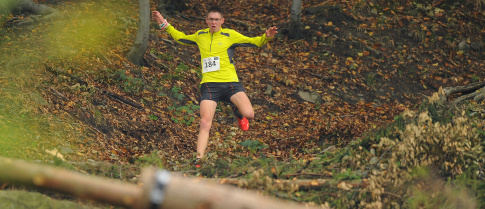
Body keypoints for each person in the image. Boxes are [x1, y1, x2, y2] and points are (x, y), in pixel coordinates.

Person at [152, 6, 278, 167]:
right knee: (205, 122)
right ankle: (198, 159)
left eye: (217, 19)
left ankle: (238, 113)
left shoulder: (230, 35)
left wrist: (266, 37)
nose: (213, 22)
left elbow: (254, 42)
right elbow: (180, 38)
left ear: (222, 21)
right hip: (210, 85)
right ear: (206, 20)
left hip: (231, 83)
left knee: (250, 114)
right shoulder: (200, 35)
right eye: (211, 19)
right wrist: (164, 23)